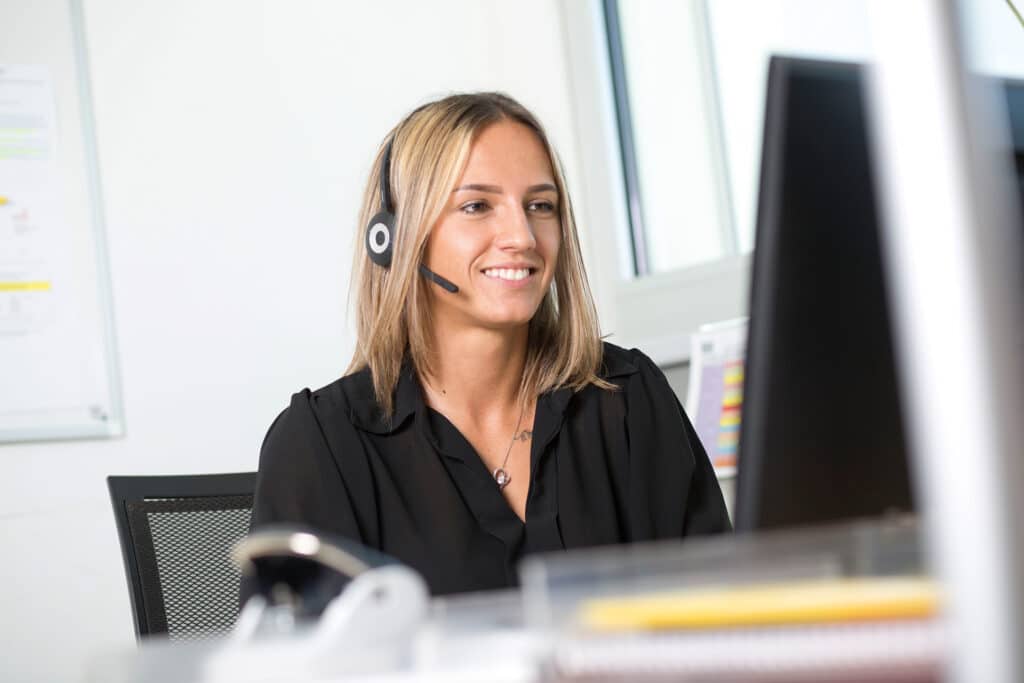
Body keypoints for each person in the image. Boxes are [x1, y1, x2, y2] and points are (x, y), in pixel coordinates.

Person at [247, 92, 731, 597]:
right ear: (392, 238)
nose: (522, 235)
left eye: (540, 206)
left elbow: (723, 614)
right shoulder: (321, 445)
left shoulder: (626, 399)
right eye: (477, 206)